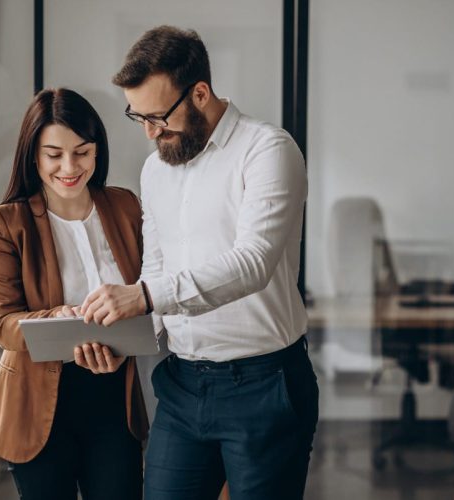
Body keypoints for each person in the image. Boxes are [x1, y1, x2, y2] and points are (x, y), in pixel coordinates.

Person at [78, 26, 318, 499]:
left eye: (158, 117)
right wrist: (127, 335)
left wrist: (144, 297)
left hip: (264, 384)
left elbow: (253, 262)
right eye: (138, 117)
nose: (150, 132)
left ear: (200, 94)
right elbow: (157, 268)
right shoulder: (155, 169)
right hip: (183, 384)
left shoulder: (268, 151)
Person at [0, 88, 148, 500]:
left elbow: (150, 292)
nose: (70, 167)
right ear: (33, 156)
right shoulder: (6, 222)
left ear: (97, 151)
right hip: (36, 405)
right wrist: (57, 319)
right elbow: (3, 325)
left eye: (82, 152)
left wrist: (124, 339)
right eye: (54, 155)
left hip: (113, 398)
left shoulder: (125, 207)